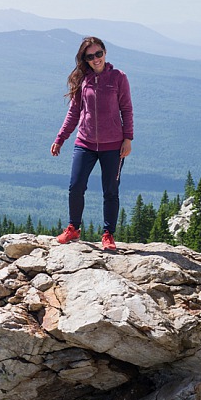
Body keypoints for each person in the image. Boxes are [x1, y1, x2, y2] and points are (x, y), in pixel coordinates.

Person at [51, 36, 133, 250]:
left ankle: (108, 235)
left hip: (113, 145)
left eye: (99, 54)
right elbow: (74, 113)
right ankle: (73, 228)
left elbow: (127, 109)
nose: (96, 59)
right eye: (90, 56)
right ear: (85, 59)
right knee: (76, 186)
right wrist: (60, 138)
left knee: (111, 190)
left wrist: (128, 139)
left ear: (105, 53)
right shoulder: (82, 80)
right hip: (85, 142)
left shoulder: (118, 77)